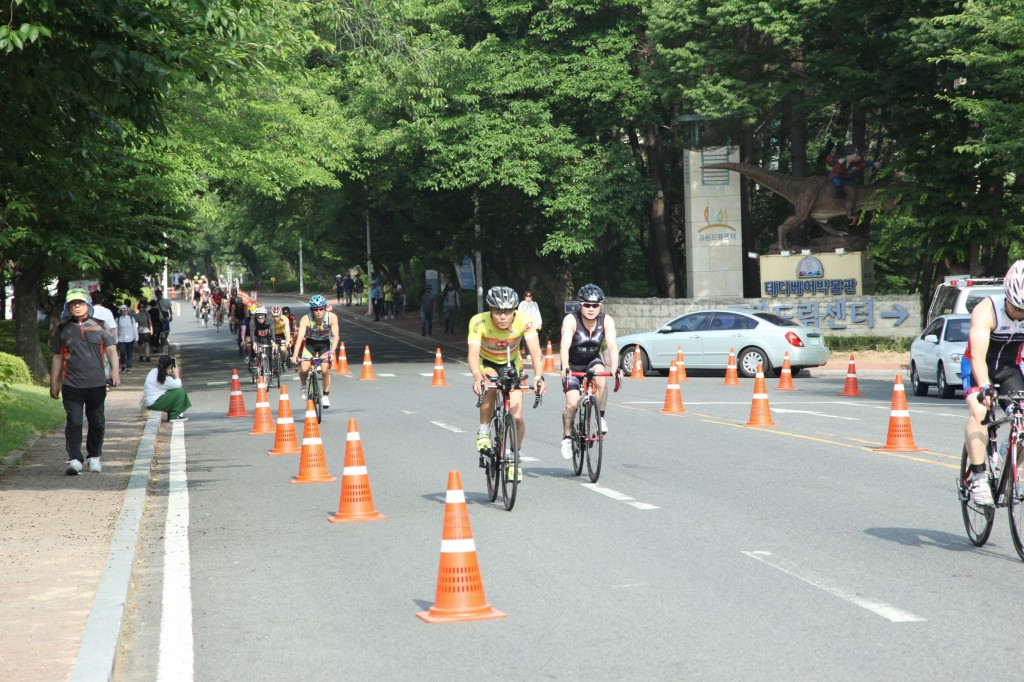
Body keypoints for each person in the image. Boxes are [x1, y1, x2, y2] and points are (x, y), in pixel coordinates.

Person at [961, 260, 1024, 505]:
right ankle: (978, 477)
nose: (1020, 314)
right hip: (978, 367)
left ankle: (1008, 466)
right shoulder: (987, 309)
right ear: (1007, 296)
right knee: (980, 412)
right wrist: (985, 385)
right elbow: (977, 355)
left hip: (1009, 370)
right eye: (1017, 308)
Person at [468, 286, 547, 477]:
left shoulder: (524, 320)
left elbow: (536, 352)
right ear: (490, 310)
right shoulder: (479, 322)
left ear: (514, 310)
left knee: (517, 417)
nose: (503, 317)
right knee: (489, 387)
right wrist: (477, 376)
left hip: (512, 365)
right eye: (497, 311)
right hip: (487, 363)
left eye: (507, 312)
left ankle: (513, 457)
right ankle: (484, 431)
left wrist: (538, 377)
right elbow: (472, 353)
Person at [50, 288, 120, 475]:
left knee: (97, 422)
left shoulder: (100, 325)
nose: (77, 306)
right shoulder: (62, 328)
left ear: (88, 305)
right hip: (71, 384)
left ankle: (94, 457)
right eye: (73, 303)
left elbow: (112, 349)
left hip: (97, 383)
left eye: (80, 302)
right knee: (74, 421)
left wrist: (115, 371)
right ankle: (74, 459)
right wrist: (53, 382)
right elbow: (57, 356)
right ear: (68, 307)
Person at [557, 284, 621, 460]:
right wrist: (564, 367)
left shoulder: (606, 320)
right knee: (572, 403)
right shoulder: (571, 320)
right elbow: (564, 346)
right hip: (572, 363)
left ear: (600, 305)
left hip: (592, 361)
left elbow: (613, 346)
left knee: (601, 378)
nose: (591, 309)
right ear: (580, 304)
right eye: (587, 305)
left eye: (595, 305)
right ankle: (567, 437)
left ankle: (600, 417)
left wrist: (615, 367)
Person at [292, 294, 340, 408]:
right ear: (311, 310)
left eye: (321, 309)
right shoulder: (306, 319)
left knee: (325, 370)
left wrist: (332, 353)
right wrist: (295, 355)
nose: (318, 312)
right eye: (315, 309)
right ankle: (303, 386)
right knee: (304, 369)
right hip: (310, 344)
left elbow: (336, 336)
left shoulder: (332, 317)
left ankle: (325, 396)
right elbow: (299, 338)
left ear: (325, 308)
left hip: (325, 345)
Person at [143, 355, 192, 422]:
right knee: (180, 392)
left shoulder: (153, 371)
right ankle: (174, 416)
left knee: (174, 391)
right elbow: (178, 385)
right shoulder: (165, 379)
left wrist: (169, 372)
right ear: (169, 366)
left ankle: (172, 414)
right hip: (154, 403)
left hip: (150, 402)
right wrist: (176, 373)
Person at [517, 290, 542, 358]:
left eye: (529, 296)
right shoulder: (522, 304)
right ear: (524, 296)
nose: (528, 297)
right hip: (526, 324)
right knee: (526, 339)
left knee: (536, 338)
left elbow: (537, 313)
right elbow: (519, 314)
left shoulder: (535, 304)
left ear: (531, 297)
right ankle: (528, 353)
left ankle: (536, 352)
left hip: (534, 324)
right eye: (526, 296)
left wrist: (540, 323)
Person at [115, 304, 138, 373]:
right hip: (121, 338)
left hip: (130, 338)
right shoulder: (118, 319)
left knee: (129, 353)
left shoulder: (131, 318)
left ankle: (129, 367)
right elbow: (116, 330)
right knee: (122, 352)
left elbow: (134, 328)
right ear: (120, 311)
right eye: (123, 310)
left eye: (126, 310)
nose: (124, 311)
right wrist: (116, 339)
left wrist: (136, 337)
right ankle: (123, 365)